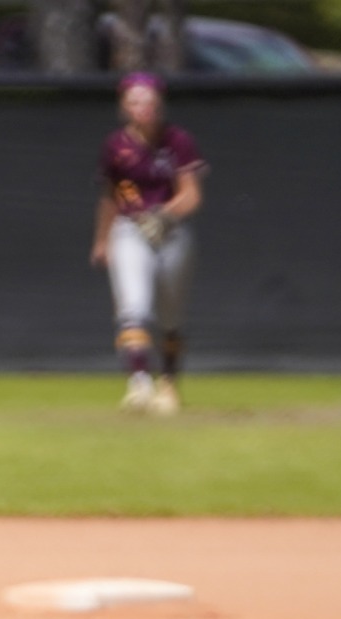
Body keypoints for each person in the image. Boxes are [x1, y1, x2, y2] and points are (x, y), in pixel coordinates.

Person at [90, 71, 205, 417]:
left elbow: (191, 195)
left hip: (172, 232)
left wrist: (166, 215)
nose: (144, 106)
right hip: (130, 229)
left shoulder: (177, 141)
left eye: (150, 100)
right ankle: (139, 383)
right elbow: (111, 196)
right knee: (134, 307)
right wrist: (101, 239)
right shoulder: (116, 146)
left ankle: (168, 384)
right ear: (124, 106)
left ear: (160, 103)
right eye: (135, 100)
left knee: (171, 316)